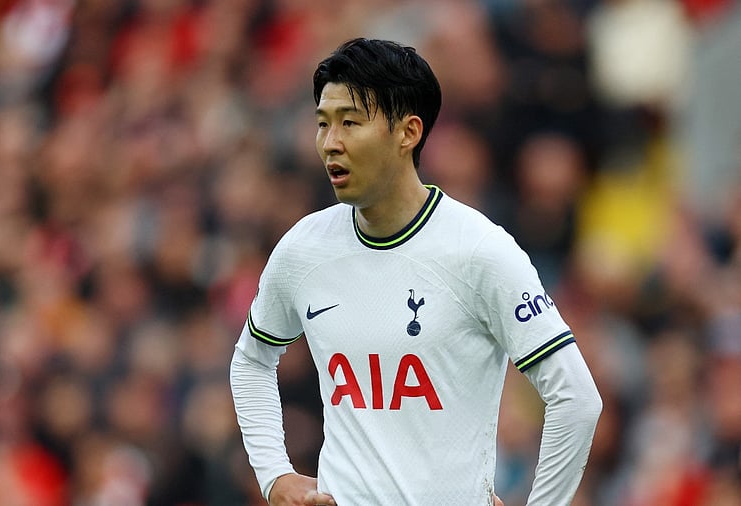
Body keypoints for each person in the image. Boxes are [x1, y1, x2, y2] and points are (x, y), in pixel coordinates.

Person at [229, 38, 602, 506]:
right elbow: (251, 360)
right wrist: (275, 475)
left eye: (350, 122)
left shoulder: (479, 251)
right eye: (323, 124)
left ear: (408, 132)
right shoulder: (304, 247)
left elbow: (577, 399)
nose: (330, 143)